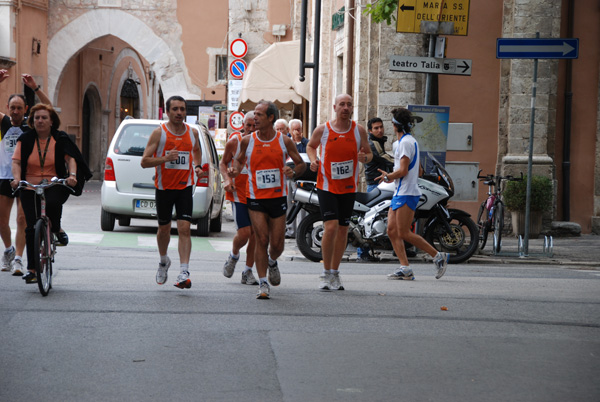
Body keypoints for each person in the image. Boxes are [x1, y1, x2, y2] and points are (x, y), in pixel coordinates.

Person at [228, 100, 306, 299]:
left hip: (277, 197)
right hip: (255, 197)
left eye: (259, 114)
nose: (255, 117)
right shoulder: (248, 140)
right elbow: (237, 160)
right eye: (254, 114)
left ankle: (272, 261)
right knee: (261, 238)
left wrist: (293, 171)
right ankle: (263, 283)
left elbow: (300, 164)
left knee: (277, 244)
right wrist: (234, 171)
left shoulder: (284, 141)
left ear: (270, 118)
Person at [11, 103, 91, 283]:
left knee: (53, 202)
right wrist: (17, 179)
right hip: (29, 184)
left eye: (44, 118)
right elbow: (16, 162)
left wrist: (71, 175)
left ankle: (56, 228)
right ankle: (32, 269)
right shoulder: (25, 138)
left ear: (51, 121)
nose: (40, 121)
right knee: (31, 228)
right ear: (32, 120)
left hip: (54, 182)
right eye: (37, 118)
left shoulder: (60, 138)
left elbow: (71, 159)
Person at [306, 94, 372, 291]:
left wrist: (364, 158)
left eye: (349, 105)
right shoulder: (323, 129)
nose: (345, 107)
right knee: (331, 227)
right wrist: (313, 160)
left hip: (348, 187)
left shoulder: (358, 131)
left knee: (343, 229)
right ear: (334, 107)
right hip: (326, 185)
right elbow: (311, 146)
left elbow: (368, 154)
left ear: (352, 108)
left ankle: (335, 272)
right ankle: (325, 273)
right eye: (342, 104)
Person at [375, 107, 448, 280]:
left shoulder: (406, 143)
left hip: (407, 193)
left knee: (404, 233)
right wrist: (391, 177)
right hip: (401, 192)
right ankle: (405, 269)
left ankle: (438, 256)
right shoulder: (401, 143)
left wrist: (389, 176)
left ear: (395, 125)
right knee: (392, 230)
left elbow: (403, 170)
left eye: (392, 122)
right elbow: (419, 171)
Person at [141, 95, 202, 289]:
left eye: (182, 109)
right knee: (164, 229)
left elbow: (197, 150)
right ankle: (163, 261)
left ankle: (184, 271)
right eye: (175, 109)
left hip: (185, 186)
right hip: (164, 188)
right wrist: (165, 159)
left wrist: (198, 166)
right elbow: (144, 161)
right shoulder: (160, 133)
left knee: (184, 228)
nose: (179, 113)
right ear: (167, 112)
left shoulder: (193, 133)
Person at [0, 71, 51, 275]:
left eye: (19, 108)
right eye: (12, 108)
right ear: (7, 108)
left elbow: (49, 109)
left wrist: (35, 88)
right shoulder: (3, 123)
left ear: (25, 110)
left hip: (25, 177)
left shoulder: (30, 124)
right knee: (2, 221)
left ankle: (19, 259)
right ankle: (9, 250)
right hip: (4, 176)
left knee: (22, 219)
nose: (15, 111)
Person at [220, 112, 258, 285]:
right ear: (242, 125)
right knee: (244, 233)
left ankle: (248, 271)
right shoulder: (234, 142)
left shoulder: (262, 143)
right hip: (239, 193)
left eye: (254, 126)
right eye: (248, 125)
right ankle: (234, 255)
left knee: (256, 235)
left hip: (258, 193)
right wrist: (227, 180)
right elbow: (223, 163)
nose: (250, 129)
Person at [356, 117, 395, 262]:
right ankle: (362, 252)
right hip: (376, 183)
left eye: (381, 127)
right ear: (370, 131)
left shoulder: (379, 141)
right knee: (368, 218)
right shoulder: (373, 144)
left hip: (383, 182)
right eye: (376, 128)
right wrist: (403, 165)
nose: (380, 130)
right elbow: (384, 158)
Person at [285, 119, 309, 238]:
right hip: (290, 177)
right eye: (294, 129)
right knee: (289, 202)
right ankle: (290, 230)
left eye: (298, 129)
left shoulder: (307, 143)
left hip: (303, 177)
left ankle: (302, 229)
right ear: (289, 130)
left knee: (303, 203)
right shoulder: (287, 143)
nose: (296, 132)